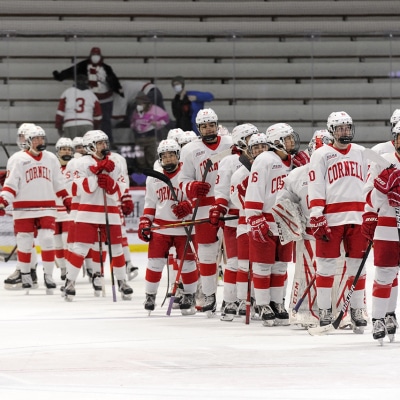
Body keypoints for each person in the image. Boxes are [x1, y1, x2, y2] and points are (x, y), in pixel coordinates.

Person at [308, 111, 370, 333]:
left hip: (358, 217)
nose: (345, 132)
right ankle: (325, 310)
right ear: (332, 131)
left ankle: (357, 310)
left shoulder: (362, 152)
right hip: (330, 219)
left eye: (347, 128)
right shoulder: (321, 154)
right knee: (325, 266)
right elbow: (315, 186)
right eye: (340, 128)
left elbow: (377, 177)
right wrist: (316, 214)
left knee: (358, 268)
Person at [62, 130, 133, 301]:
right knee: (80, 248)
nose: (104, 146)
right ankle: (69, 282)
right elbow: (75, 188)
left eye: (105, 142)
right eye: (100, 143)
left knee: (116, 248)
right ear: (91, 146)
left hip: (111, 211)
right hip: (87, 212)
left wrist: (111, 185)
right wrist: (96, 175)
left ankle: (122, 281)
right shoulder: (80, 163)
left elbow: (122, 186)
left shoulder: (115, 161)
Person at [0, 125, 72, 294]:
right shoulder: (17, 159)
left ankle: (48, 276)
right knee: (24, 241)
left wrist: (66, 199)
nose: (40, 141)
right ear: (29, 142)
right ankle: (26, 275)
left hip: (47, 207)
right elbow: (10, 185)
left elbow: (58, 183)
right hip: (23, 208)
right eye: (36, 139)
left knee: (47, 239)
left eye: (42, 138)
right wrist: (3, 200)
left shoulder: (51, 159)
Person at [178, 108, 233, 316]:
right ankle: (209, 295)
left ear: (217, 125)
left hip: (230, 206)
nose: (208, 129)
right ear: (198, 128)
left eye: (211, 124)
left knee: (233, 257)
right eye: (204, 126)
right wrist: (192, 188)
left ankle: (231, 298)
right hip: (203, 209)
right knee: (208, 255)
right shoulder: (190, 149)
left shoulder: (230, 144)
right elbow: (182, 181)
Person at [244, 123, 300, 327]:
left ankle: (277, 303)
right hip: (265, 219)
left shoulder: (292, 162)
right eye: (288, 139)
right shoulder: (265, 160)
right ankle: (263, 304)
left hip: (285, 219)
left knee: (280, 265)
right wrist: (254, 216)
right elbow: (255, 190)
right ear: (276, 142)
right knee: (262, 264)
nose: (292, 142)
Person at [277, 129, 331, 327]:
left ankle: (333, 310)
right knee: (306, 271)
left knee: (335, 271)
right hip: (308, 233)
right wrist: (294, 220)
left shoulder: (336, 174)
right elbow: (282, 202)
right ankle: (307, 312)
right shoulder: (297, 175)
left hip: (333, 232)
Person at [138, 139, 198, 314]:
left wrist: (189, 206)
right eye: (164, 156)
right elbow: (150, 203)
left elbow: (199, 197)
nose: (168, 159)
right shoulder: (154, 178)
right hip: (161, 227)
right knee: (154, 263)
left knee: (187, 264)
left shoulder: (187, 174)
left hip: (184, 227)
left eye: (171, 155)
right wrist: (145, 221)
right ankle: (150, 295)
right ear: (160, 158)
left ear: (178, 156)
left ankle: (189, 295)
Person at [211, 123, 258, 321]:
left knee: (255, 264)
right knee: (235, 262)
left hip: (256, 216)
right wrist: (219, 208)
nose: (254, 141)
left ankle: (249, 299)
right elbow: (222, 189)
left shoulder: (262, 159)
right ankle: (230, 300)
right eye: (250, 138)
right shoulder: (230, 161)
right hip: (234, 218)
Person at [362, 122, 400, 343]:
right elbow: (369, 199)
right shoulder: (383, 162)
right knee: (385, 273)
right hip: (386, 226)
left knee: (393, 275)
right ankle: (378, 318)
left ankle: (390, 313)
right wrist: (383, 186)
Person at [230, 131, 269, 319]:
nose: (260, 150)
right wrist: (252, 208)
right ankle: (241, 300)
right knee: (244, 265)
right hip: (246, 224)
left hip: (269, 224)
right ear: (249, 151)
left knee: (264, 266)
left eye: (263, 146)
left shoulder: (271, 167)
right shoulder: (240, 173)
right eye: (256, 147)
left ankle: (260, 300)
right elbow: (235, 198)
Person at [53, 47, 124, 143]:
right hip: (91, 100)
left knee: (106, 121)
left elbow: (113, 79)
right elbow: (72, 70)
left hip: (105, 98)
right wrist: (60, 76)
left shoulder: (106, 68)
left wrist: (119, 89)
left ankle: (108, 142)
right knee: (98, 121)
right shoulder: (83, 66)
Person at [3, 123, 39, 290]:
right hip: (26, 203)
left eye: (24, 136)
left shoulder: (22, 157)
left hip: (29, 204)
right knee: (25, 239)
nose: (22, 140)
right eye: (21, 137)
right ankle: (29, 271)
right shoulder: (20, 157)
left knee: (25, 238)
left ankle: (24, 270)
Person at [130, 91, 170, 170]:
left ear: (146, 103)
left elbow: (166, 119)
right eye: (138, 103)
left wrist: (157, 123)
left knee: (151, 157)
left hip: (151, 138)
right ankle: (142, 174)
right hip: (139, 138)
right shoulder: (136, 112)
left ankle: (153, 174)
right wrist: (134, 126)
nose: (139, 105)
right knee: (140, 159)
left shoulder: (155, 109)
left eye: (141, 103)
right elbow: (132, 122)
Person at [55, 74, 102, 138]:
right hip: (87, 123)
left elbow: (60, 113)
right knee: (86, 147)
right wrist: (96, 128)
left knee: (71, 147)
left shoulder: (67, 92)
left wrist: (59, 127)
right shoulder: (92, 95)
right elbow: (98, 116)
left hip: (70, 123)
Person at [53, 137, 74, 281]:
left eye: (68, 149)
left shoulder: (75, 166)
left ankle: (68, 268)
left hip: (68, 211)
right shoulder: (52, 166)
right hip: (53, 211)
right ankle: (62, 267)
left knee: (67, 241)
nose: (66, 151)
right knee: (56, 243)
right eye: (63, 149)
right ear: (58, 151)